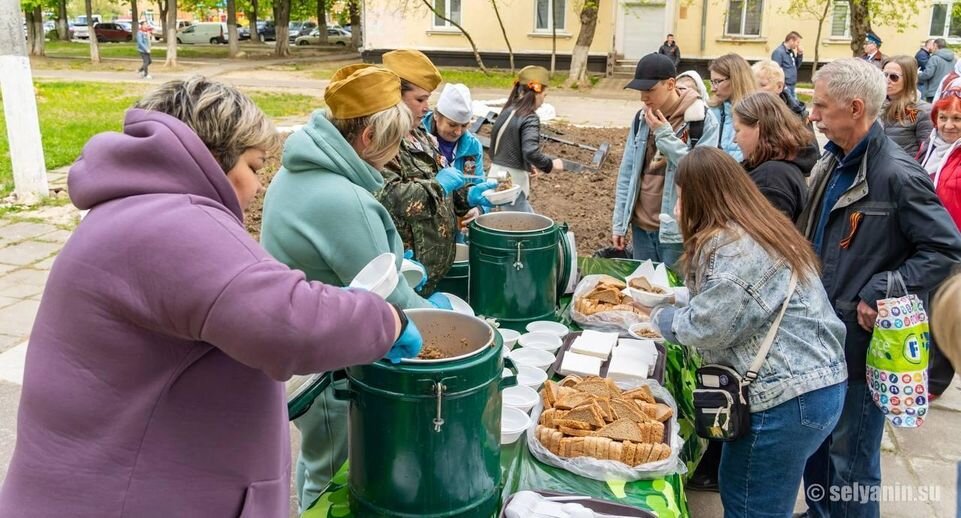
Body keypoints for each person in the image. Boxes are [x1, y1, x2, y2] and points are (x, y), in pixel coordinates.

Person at [0, 77, 422, 517]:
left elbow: (235, 299)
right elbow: (289, 323)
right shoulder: (171, 223)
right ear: (211, 156)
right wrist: (390, 321)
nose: (257, 188)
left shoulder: (137, 209)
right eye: (255, 167)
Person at [259, 64, 449, 512]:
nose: (400, 148)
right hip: (330, 365)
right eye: (396, 138)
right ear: (367, 139)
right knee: (336, 473)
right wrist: (444, 318)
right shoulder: (343, 199)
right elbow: (391, 302)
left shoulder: (300, 173)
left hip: (300, 348)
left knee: (315, 458)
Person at [797, 58, 961, 518]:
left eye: (822, 106)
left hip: (859, 343)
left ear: (854, 108)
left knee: (851, 460)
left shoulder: (898, 174)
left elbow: (946, 249)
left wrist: (883, 287)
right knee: (820, 444)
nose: (813, 114)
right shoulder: (834, 159)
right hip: (822, 334)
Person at [650, 146, 847, 517]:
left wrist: (657, 318)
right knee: (749, 491)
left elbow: (707, 326)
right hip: (810, 386)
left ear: (702, 198)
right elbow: (733, 298)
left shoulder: (734, 248)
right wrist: (670, 297)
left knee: (751, 504)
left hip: (786, 398)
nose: (677, 207)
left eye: (681, 197)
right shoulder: (752, 226)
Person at [379, 50, 489, 293]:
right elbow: (389, 199)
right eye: (420, 100)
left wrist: (466, 197)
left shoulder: (421, 136)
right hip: (406, 276)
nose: (426, 107)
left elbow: (441, 191)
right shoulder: (383, 142)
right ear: (395, 97)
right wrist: (438, 186)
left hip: (432, 273)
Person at [612, 53, 719, 266]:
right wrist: (619, 223)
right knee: (642, 295)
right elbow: (627, 172)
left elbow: (701, 172)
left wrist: (664, 136)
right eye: (640, 90)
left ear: (670, 84)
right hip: (641, 228)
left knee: (674, 296)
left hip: (678, 232)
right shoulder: (640, 119)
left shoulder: (702, 120)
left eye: (650, 90)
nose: (643, 97)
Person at [916, 85, 961, 397]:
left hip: (954, 245)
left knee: (945, 313)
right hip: (924, 241)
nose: (948, 125)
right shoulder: (926, 148)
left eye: (957, 119)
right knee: (923, 307)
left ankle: (937, 381)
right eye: (943, 117)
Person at [489, 65, 564, 213]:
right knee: (526, 227)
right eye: (544, 93)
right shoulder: (529, 117)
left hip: (495, 175)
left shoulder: (507, 111)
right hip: (512, 184)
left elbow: (500, 147)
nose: (544, 98)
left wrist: (526, 165)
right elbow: (530, 151)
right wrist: (550, 164)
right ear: (536, 92)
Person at [733, 91, 817, 221]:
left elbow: (763, 238)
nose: (734, 139)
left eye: (738, 130)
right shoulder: (781, 168)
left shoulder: (771, 178)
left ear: (758, 127)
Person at [879, 55, 933, 157]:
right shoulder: (874, 106)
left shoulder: (923, 111)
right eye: (884, 75)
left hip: (904, 170)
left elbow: (925, 153)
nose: (887, 80)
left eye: (894, 77)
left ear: (909, 79)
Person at [708, 53, 756, 162]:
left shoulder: (758, 113)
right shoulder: (711, 111)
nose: (712, 89)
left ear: (736, 79)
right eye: (712, 82)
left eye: (717, 82)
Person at [771, 31, 803, 103]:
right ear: (791, 40)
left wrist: (799, 54)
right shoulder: (779, 52)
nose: (798, 45)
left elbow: (796, 66)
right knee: (789, 106)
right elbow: (775, 70)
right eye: (797, 42)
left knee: (793, 106)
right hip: (785, 86)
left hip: (792, 85)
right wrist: (782, 85)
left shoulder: (790, 52)